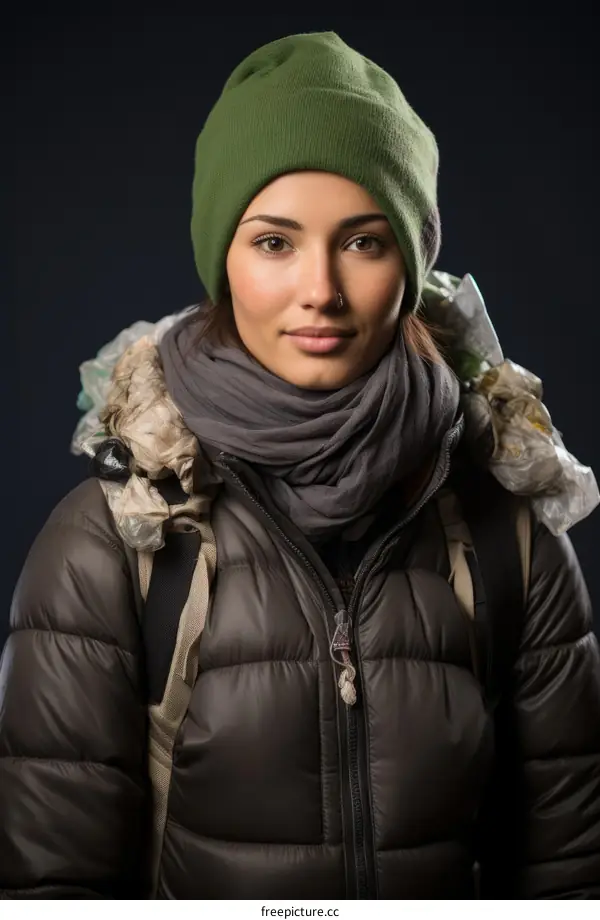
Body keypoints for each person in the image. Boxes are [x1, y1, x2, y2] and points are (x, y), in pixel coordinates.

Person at [1, 31, 599, 901]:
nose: (319, 288)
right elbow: (54, 891)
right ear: (224, 261)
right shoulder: (113, 540)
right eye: (274, 243)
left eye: (363, 242)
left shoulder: (505, 533)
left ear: (415, 263)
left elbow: (570, 875)